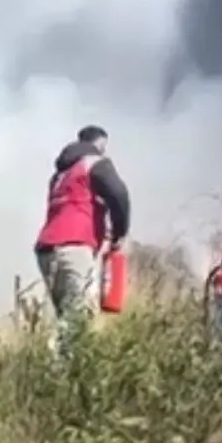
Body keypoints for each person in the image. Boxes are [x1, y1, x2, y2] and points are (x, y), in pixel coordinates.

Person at [35, 125, 131, 330]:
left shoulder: (60, 175)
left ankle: (56, 361)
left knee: (64, 320)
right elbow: (119, 195)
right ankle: (72, 362)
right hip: (75, 247)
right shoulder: (95, 163)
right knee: (81, 319)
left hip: (46, 251)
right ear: (99, 143)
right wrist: (119, 233)